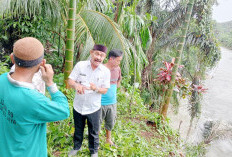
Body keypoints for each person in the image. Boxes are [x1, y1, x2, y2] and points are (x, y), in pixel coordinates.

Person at [0, 37, 70, 157]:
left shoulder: (2, 80)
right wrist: (50, 83)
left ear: (12, 58)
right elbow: (64, 111)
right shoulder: (34, 100)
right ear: (42, 63)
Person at [68, 44, 110, 157]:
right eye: (97, 54)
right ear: (91, 53)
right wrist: (76, 86)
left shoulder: (105, 71)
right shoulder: (80, 65)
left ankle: (94, 151)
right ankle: (77, 147)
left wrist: (95, 88)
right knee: (78, 128)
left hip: (94, 107)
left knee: (94, 131)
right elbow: (70, 81)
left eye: (102, 56)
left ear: (104, 57)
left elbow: (105, 90)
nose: (99, 58)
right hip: (78, 105)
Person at [100, 49, 123, 147]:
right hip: (100, 102)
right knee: (97, 123)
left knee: (110, 122)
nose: (119, 63)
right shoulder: (100, 69)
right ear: (111, 59)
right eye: (118, 60)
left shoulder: (117, 69)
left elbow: (119, 80)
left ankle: (108, 139)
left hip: (112, 102)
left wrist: (115, 88)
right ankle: (95, 142)